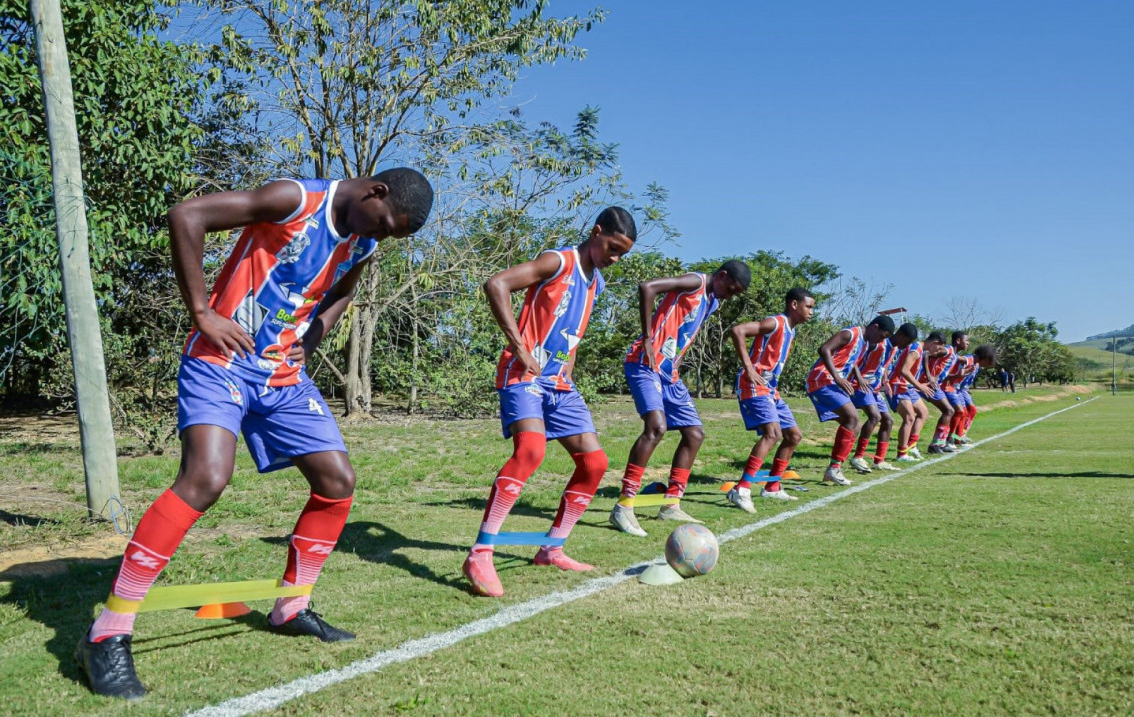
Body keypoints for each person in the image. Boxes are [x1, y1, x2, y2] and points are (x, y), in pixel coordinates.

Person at [77, 169, 435, 698]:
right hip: (221, 361)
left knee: (337, 480)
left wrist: (312, 337)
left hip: (282, 375)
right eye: (384, 225)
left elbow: (344, 289)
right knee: (206, 477)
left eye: (390, 235)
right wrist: (202, 312)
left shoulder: (361, 241)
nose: (380, 237)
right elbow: (187, 215)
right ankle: (107, 633)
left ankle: (291, 606)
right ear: (374, 192)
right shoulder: (294, 198)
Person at [463, 207, 636, 597]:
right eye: (612, 248)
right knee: (530, 452)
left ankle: (552, 548)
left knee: (595, 463)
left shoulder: (597, 283)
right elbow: (498, 284)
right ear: (596, 232)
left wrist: (568, 368)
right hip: (524, 376)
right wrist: (520, 348)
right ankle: (480, 553)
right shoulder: (558, 261)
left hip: (559, 384)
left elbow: (572, 329)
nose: (615, 258)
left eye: (622, 253)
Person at [610, 261, 751, 537]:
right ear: (721, 276)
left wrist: (677, 360)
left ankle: (670, 503)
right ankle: (624, 506)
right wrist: (648, 339)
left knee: (695, 434)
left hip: (668, 372)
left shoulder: (711, 302)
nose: (728, 296)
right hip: (644, 363)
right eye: (730, 289)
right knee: (656, 427)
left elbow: (684, 330)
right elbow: (647, 287)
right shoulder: (695, 282)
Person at [726, 288, 817, 512]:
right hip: (753, 385)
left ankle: (773, 486)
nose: (812, 312)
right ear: (794, 305)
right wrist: (748, 367)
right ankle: (742, 489)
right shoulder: (775, 323)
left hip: (770, 389)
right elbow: (737, 330)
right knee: (773, 433)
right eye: (809, 306)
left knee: (794, 435)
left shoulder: (791, 331)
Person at [806, 316, 896, 485]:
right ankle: (834, 468)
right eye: (882, 336)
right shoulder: (850, 333)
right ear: (874, 327)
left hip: (832, 383)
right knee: (853, 417)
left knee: (854, 427)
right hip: (821, 380)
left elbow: (852, 361)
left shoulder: (865, 342)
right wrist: (838, 377)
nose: (881, 341)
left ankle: (835, 469)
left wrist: (855, 376)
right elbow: (824, 349)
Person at [848, 322, 917, 473]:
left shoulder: (894, 349)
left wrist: (885, 381)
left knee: (888, 420)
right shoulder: (877, 344)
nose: (908, 346)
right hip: (861, 385)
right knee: (874, 416)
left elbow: (883, 367)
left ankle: (879, 460)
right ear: (901, 336)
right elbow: (853, 359)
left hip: (875, 388)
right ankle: (858, 456)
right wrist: (858, 377)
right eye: (908, 342)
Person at [887, 329, 936, 463]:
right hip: (898, 385)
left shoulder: (921, 350)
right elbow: (904, 370)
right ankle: (901, 453)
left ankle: (912, 446)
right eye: (938, 348)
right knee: (909, 418)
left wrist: (918, 384)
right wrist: (920, 386)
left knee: (923, 413)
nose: (937, 352)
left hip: (908, 387)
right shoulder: (916, 349)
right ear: (935, 343)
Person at [918, 331, 958, 454]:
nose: (968, 344)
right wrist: (929, 376)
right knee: (949, 410)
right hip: (928, 384)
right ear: (959, 341)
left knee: (948, 411)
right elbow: (926, 354)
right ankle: (936, 444)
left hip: (935, 385)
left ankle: (940, 443)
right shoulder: (947, 351)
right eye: (966, 341)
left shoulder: (953, 354)